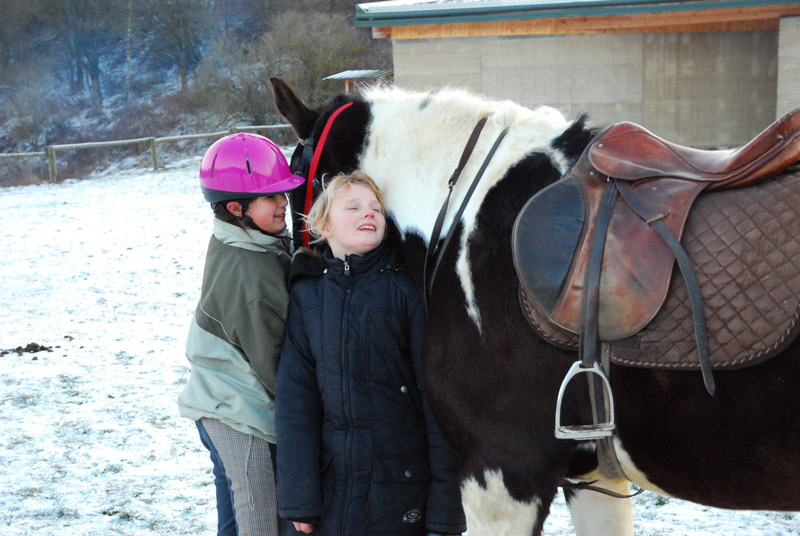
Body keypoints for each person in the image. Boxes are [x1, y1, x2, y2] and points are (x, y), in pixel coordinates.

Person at [275, 171, 466, 536]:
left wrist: (445, 515)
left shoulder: (405, 290)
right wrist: (300, 501)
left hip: (401, 490)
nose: (369, 213)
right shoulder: (308, 295)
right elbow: (295, 403)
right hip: (333, 491)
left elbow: (439, 403)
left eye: (376, 208)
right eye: (353, 207)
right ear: (323, 225)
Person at [178, 132, 305, 536]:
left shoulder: (240, 236)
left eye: (284, 193)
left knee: (234, 517)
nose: (284, 203)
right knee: (260, 518)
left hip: (221, 399)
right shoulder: (252, 275)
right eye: (272, 197)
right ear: (236, 207)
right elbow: (273, 365)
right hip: (237, 414)